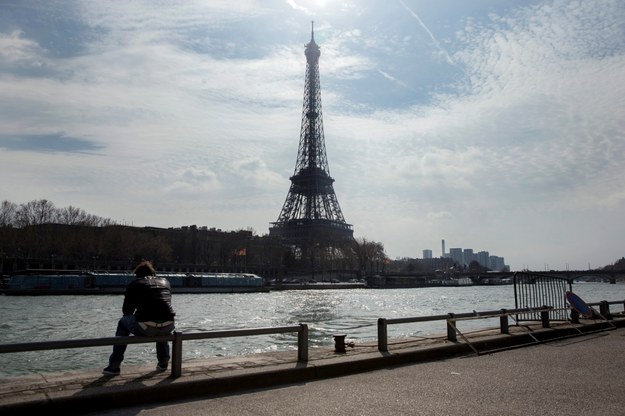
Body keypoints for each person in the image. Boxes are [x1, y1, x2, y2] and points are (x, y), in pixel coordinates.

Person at [103, 260, 176, 376]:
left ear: (137, 275)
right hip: (169, 325)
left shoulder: (135, 284)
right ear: (153, 273)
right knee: (161, 321)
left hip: (146, 327)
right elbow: (163, 305)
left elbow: (127, 311)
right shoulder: (165, 282)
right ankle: (163, 362)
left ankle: (114, 366)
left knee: (123, 322)